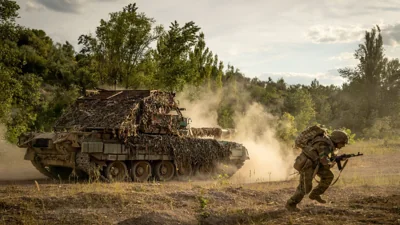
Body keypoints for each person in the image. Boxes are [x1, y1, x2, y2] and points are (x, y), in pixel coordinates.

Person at [285, 130, 349, 212]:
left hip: (316, 163)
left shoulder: (329, 144)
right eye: (342, 143)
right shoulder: (323, 144)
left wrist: (338, 159)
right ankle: (291, 204)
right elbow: (324, 160)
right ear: (337, 140)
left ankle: (315, 194)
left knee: (328, 176)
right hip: (307, 165)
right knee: (305, 188)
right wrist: (331, 163)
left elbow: (325, 158)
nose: (343, 145)